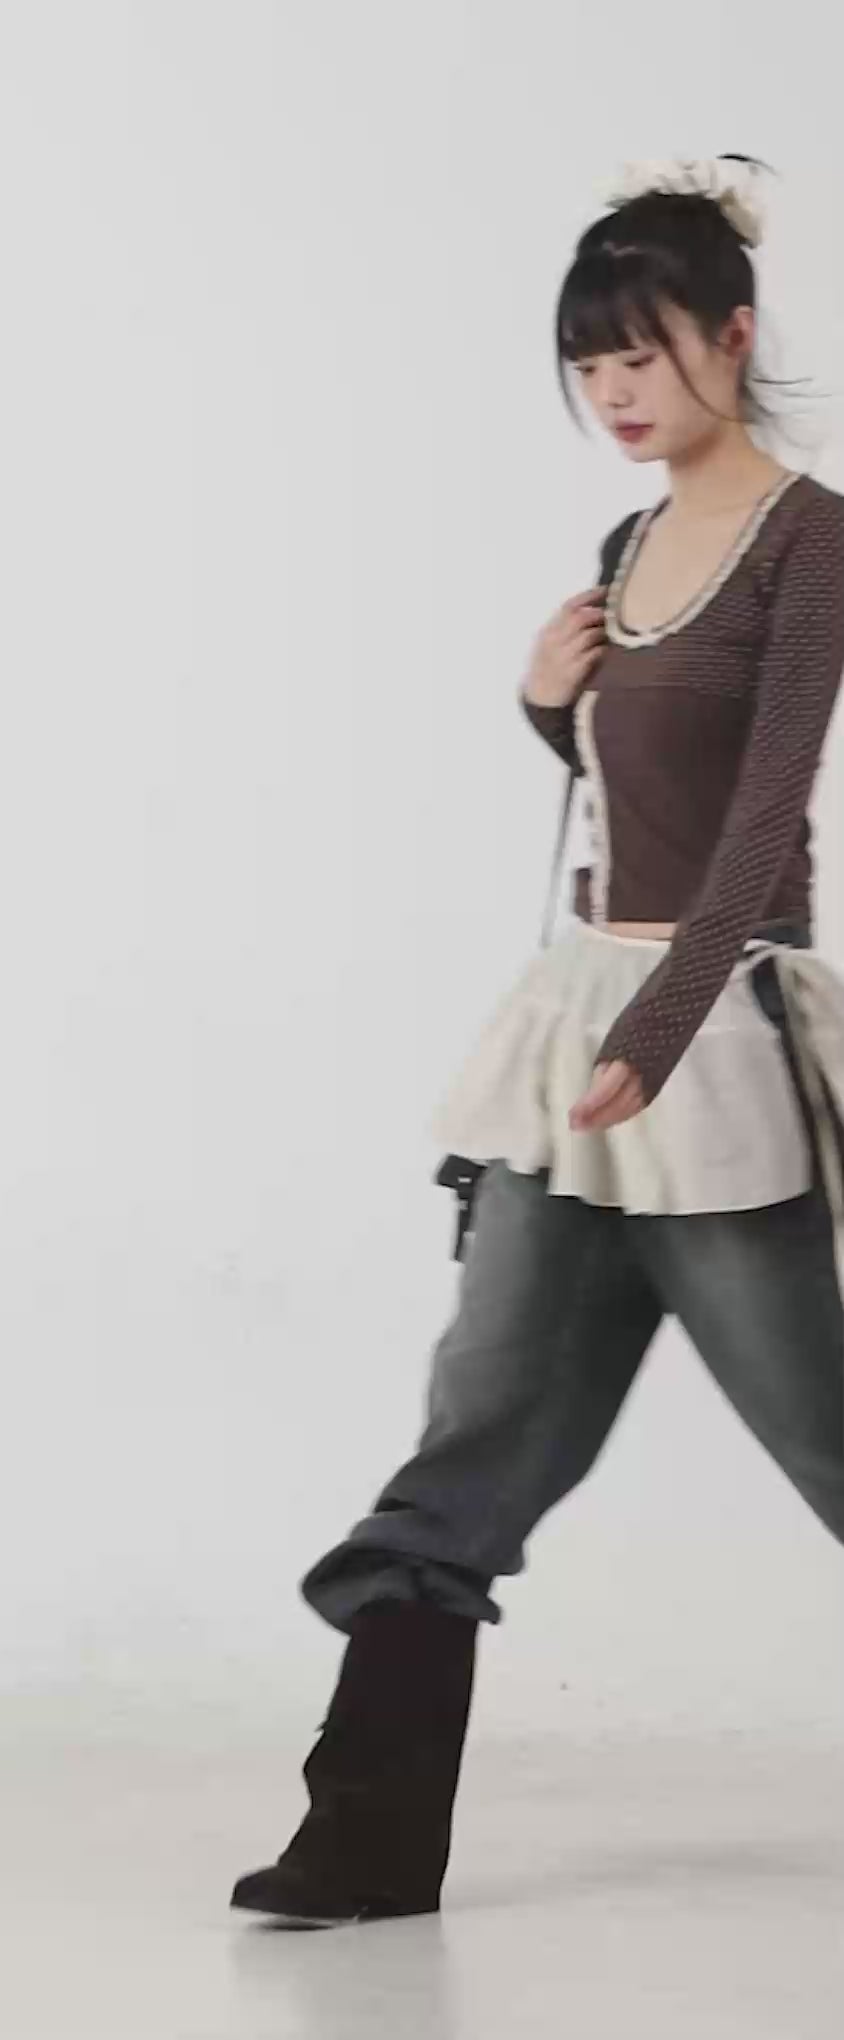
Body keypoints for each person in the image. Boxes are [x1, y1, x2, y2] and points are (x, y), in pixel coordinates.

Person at [230, 153, 844, 1927]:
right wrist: (541, 706)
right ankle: (366, 1841)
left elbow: (760, 831)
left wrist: (661, 1024)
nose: (617, 391)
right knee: (472, 1438)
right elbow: (628, 809)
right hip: (579, 1037)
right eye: (590, 365)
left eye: (645, 352)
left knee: (829, 1441)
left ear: (735, 335)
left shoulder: (813, 541)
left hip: (713, 1045)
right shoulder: (625, 549)